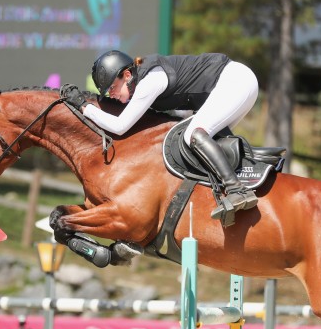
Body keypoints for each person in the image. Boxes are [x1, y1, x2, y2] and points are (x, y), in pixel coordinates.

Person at [78, 50, 260, 223]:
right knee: (204, 140)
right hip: (238, 83)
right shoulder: (145, 78)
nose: (112, 94)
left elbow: (120, 126)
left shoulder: (149, 81)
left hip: (236, 82)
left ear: (127, 75)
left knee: (194, 135)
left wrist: (84, 108)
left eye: (113, 87)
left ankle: (237, 190)